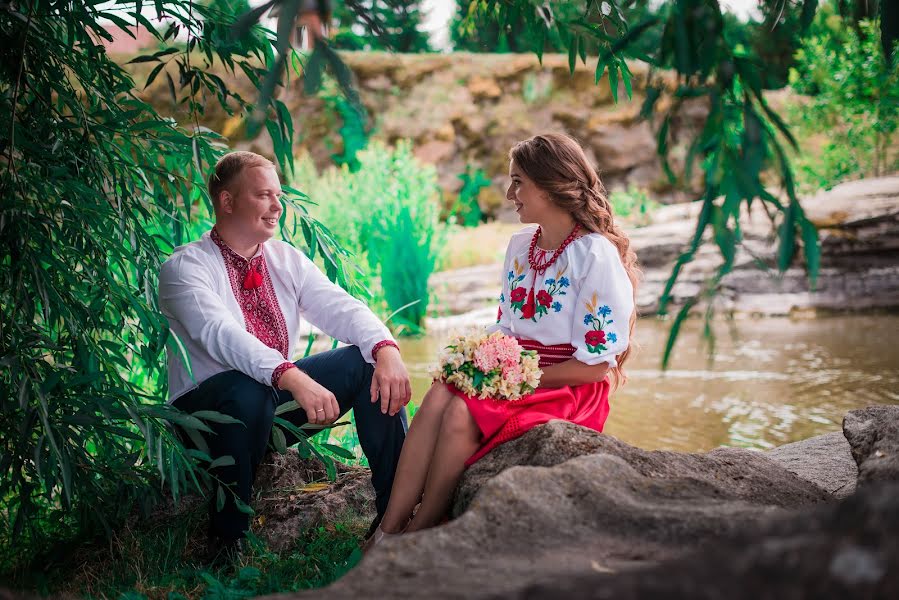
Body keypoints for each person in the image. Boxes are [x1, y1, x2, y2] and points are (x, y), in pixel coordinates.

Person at [370, 133, 639, 543]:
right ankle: (387, 529)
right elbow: (509, 326)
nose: (511, 193)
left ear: (551, 185)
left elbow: (597, 366)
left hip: (566, 386)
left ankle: (419, 533)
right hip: (515, 372)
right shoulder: (519, 247)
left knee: (463, 412)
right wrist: (476, 359)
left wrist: (514, 376)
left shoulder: (594, 253)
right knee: (441, 391)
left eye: (519, 182)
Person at [158, 151, 410, 557]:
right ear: (227, 201)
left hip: (269, 402)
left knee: (366, 363)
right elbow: (220, 335)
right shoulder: (184, 268)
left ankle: (395, 518)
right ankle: (227, 542)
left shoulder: (285, 258)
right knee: (247, 389)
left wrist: (386, 348)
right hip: (204, 419)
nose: (278, 206)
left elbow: (339, 307)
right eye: (263, 195)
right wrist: (293, 378)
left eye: (278, 195)